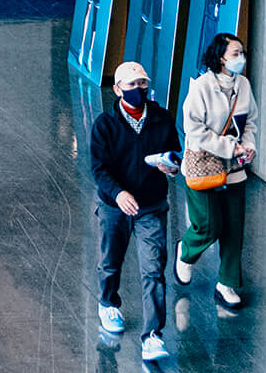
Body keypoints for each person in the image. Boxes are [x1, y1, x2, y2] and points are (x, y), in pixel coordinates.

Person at [91, 60, 180, 361]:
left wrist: (172, 167)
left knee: (153, 270)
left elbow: (175, 153)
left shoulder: (162, 119)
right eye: (131, 85)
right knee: (110, 261)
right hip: (115, 207)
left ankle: (153, 334)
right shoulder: (105, 126)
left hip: (151, 206)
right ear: (117, 90)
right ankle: (107, 302)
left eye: (142, 83)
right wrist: (118, 194)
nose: (138, 89)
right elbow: (99, 170)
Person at [176, 32, 258, 310]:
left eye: (242, 52)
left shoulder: (244, 85)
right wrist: (227, 147)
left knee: (234, 228)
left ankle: (227, 283)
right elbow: (194, 129)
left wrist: (248, 146)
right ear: (220, 58)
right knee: (209, 224)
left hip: (235, 168)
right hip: (203, 167)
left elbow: (250, 122)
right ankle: (186, 252)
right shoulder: (201, 87)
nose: (241, 58)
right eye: (235, 53)